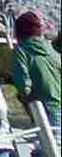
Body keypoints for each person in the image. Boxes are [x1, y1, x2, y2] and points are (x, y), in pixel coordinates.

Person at [12, 12, 62, 156]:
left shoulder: (21, 49)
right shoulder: (50, 49)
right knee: (55, 144)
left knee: (49, 147)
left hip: (42, 105)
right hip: (58, 101)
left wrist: (26, 101)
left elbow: (23, 83)